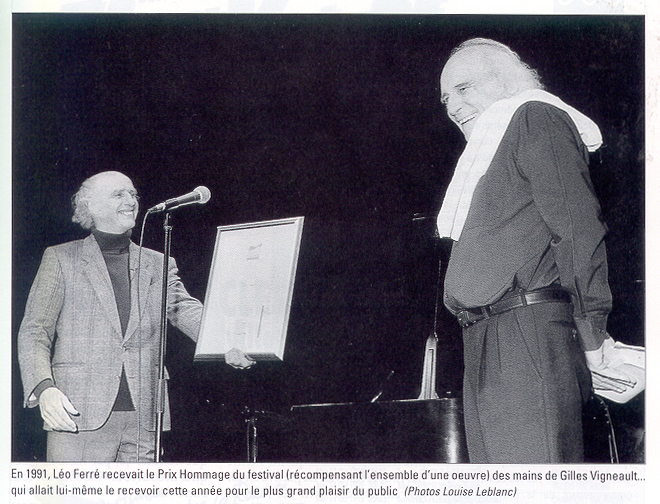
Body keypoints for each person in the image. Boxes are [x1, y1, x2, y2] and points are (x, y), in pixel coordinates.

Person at [436, 38, 636, 463]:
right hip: (484, 339)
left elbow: (577, 229)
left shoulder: (535, 117)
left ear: (506, 80)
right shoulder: (493, 146)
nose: (452, 107)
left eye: (463, 89)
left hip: (525, 336)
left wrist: (592, 334)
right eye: (445, 98)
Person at [17, 171, 254, 462]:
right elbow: (34, 331)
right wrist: (44, 388)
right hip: (76, 414)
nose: (131, 201)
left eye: (133, 194)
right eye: (118, 194)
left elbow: (185, 309)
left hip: (144, 418)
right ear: (90, 206)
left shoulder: (158, 263)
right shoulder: (61, 258)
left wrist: (231, 340)